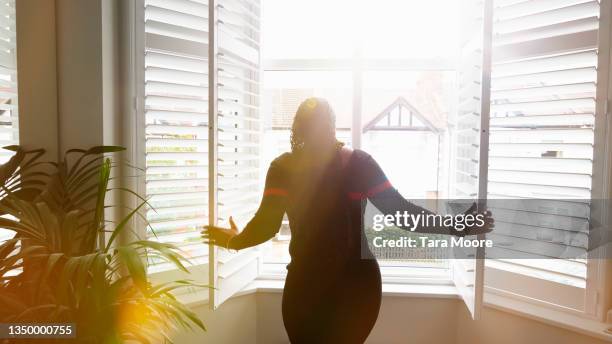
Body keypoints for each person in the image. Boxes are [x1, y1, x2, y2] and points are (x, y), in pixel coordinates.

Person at [203, 97, 493, 343]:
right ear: (331, 125)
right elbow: (401, 212)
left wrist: (234, 240)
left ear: (297, 128)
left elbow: (266, 227)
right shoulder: (357, 163)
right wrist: (459, 226)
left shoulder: (283, 168)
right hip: (356, 288)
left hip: (309, 289)